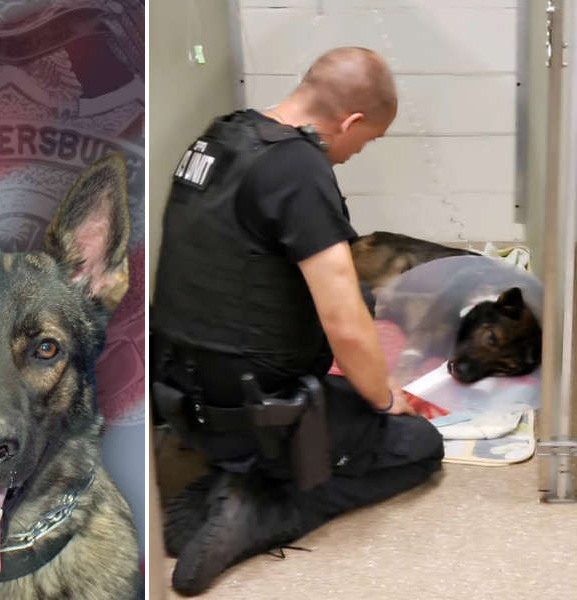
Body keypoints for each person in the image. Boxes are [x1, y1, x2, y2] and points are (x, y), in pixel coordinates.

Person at [151, 47, 445, 595]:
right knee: (420, 446)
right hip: (257, 408)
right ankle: (269, 505)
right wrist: (385, 398)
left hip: (179, 397)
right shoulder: (298, 167)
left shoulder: (220, 136)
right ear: (351, 121)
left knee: (353, 289)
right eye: (368, 140)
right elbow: (345, 323)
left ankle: (230, 479)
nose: (357, 153)